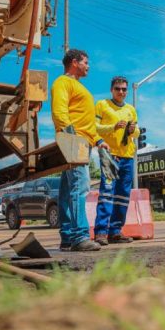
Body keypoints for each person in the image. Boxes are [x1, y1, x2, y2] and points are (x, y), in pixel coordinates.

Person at [51, 49, 110, 251]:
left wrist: (98, 140)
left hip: (81, 141)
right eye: (86, 62)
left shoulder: (79, 86)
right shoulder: (63, 82)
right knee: (80, 187)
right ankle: (80, 236)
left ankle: (68, 236)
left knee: (68, 190)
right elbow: (59, 111)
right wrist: (71, 137)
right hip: (74, 141)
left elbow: (86, 122)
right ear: (74, 62)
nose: (88, 66)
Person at [92, 76, 140, 246]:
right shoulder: (102, 105)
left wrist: (133, 130)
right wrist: (113, 127)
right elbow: (94, 127)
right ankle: (101, 232)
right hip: (110, 155)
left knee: (123, 196)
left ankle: (115, 231)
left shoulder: (130, 109)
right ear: (111, 90)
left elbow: (137, 132)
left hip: (127, 156)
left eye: (124, 89)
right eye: (118, 89)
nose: (121, 92)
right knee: (107, 193)